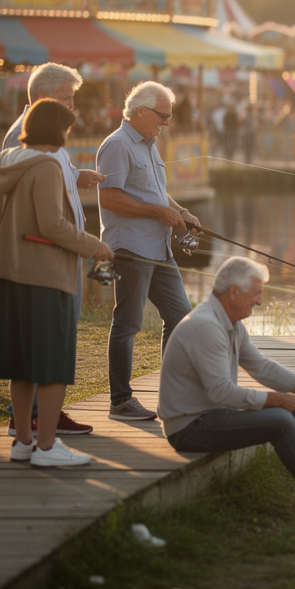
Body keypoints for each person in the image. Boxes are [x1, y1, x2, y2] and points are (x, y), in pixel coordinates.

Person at [160, 257, 295, 516]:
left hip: (211, 414)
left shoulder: (229, 322)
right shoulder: (206, 327)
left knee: (293, 408)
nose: (260, 301)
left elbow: (261, 367)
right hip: (189, 427)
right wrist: (277, 399)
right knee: (280, 420)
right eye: (256, 293)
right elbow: (221, 392)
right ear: (234, 292)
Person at [0, 100, 114, 467]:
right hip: (46, 275)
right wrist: (96, 246)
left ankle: (23, 442)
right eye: (67, 129)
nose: (68, 136)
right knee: (53, 365)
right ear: (56, 129)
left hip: (12, 275)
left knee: (22, 363)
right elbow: (53, 225)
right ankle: (46, 447)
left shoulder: (4, 163)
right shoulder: (47, 165)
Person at [0, 62, 104, 433]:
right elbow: (33, 206)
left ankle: (33, 424)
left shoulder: (45, 138)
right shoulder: (23, 138)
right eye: (66, 99)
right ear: (44, 98)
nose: (72, 108)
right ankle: (39, 427)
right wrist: (93, 245)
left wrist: (77, 175)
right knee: (47, 345)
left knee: (48, 340)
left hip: (57, 255)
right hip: (46, 257)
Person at [97, 81, 200, 422]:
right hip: (131, 249)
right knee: (128, 323)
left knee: (181, 318)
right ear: (140, 111)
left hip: (159, 248)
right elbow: (109, 198)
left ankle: (171, 394)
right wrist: (160, 213)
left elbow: (156, 193)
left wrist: (181, 212)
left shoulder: (149, 143)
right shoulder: (116, 145)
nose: (167, 122)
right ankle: (120, 401)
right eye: (163, 115)